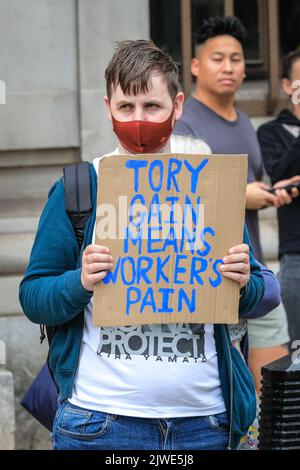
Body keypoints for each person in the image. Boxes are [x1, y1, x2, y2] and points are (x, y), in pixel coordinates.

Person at [19, 40, 265, 451]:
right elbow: (33, 296)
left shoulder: (211, 188)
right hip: (100, 423)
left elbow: (261, 290)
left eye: (152, 107)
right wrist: (78, 282)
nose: (138, 121)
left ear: (178, 105)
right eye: (126, 108)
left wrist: (243, 282)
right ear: (108, 108)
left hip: (203, 424)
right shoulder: (80, 188)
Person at [174, 16, 297, 395]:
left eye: (237, 59)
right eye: (217, 58)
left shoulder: (245, 121)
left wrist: (273, 191)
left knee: (272, 394)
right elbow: (180, 194)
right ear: (195, 66)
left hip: (255, 271)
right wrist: (245, 195)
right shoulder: (183, 121)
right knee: (223, 399)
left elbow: (253, 184)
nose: (228, 67)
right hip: (206, 278)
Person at [257, 50, 300, 349]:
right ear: (288, 86)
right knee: (296, 352)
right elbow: (279, 173)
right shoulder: (271, 132)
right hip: (296, 251)